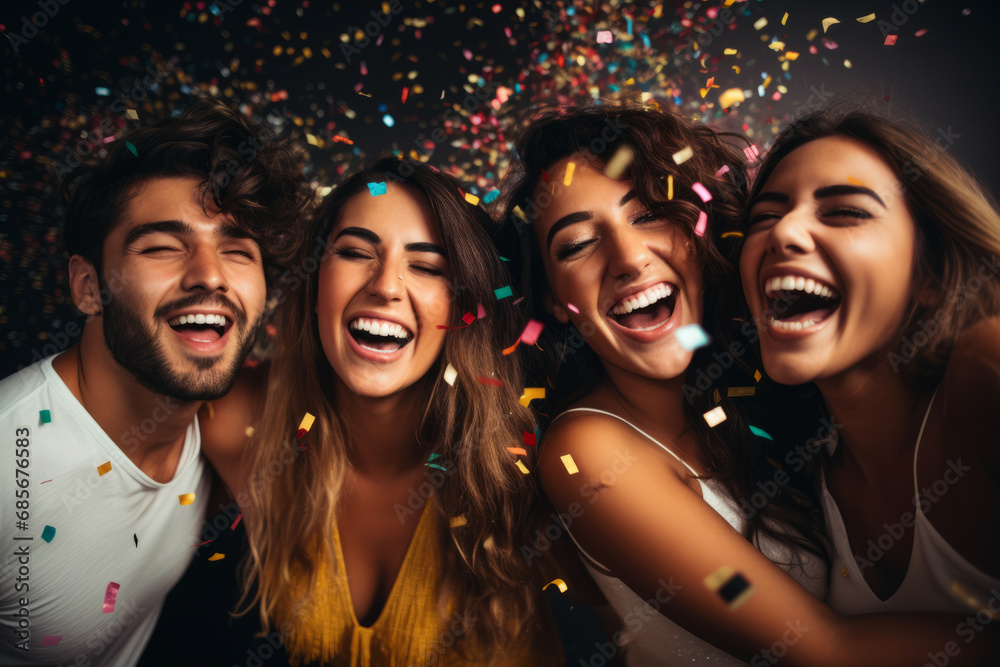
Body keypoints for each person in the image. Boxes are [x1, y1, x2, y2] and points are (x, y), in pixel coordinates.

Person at [500, 99, 999, 666]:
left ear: (701, 233)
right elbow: (823, 650)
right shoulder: (587, 453)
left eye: (647, 216)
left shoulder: (785, 398)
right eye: (577, 244)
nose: (628, 258)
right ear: (553, 302)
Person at [199, 157, 562, 666]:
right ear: (315, 281)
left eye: (428, 266)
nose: (386, 286)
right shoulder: (235, 422)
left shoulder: (535, 460)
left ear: (464, 308)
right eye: (354, 252)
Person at [0, 98, 310, 665]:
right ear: (89, 286)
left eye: (238, 250)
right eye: (164, 247)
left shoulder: (227, 425)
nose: (210, 275)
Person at [738, 107, 1000, 621]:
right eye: (764, 217)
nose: (783, 232)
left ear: (929, 270)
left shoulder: (984, 363)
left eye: (845, 212)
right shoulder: (795, 481)